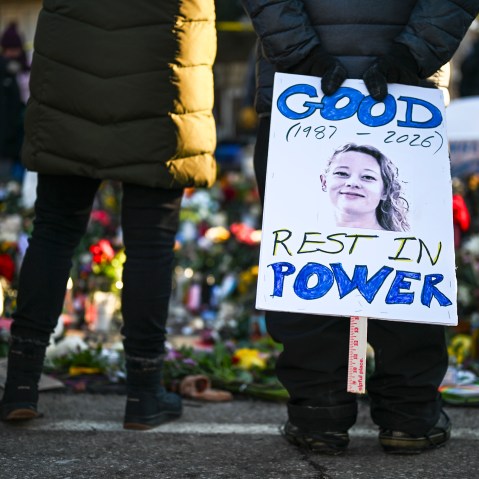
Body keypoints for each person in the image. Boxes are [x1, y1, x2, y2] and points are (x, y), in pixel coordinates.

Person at [241, 0, 479, 455]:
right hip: (407, 95)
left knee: (306, 255)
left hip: (301, 91)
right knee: (408, 260)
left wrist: (300, 55)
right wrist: (413, 55)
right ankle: (410, 418)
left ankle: (318, 415)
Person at [0, 0, 217, 431]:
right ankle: (143, 393)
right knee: (151, 243)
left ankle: (21, 384)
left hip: (72, 63)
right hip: (163, 65)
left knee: (54, 231)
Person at [320, 143, 409, 231]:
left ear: (385, 191)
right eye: (342, 173)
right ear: (324, 182)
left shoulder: (405, 244)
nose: (353, 183)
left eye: (368, 177)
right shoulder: (310, 237)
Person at [0, 22, 29, 181]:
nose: (11, 54)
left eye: (14, 49)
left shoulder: (26, 68)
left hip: (23, 133)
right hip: (6, 138)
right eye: (8, 50)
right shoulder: (3, 70)